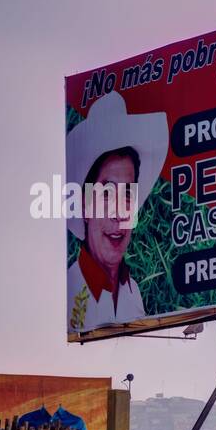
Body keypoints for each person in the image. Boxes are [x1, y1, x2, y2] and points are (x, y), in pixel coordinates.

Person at [66, 91, 167, 332]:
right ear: (84, 206)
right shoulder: (70, 289)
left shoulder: (133, 293)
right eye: (107, 193)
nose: (118, 213)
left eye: (128, 194)